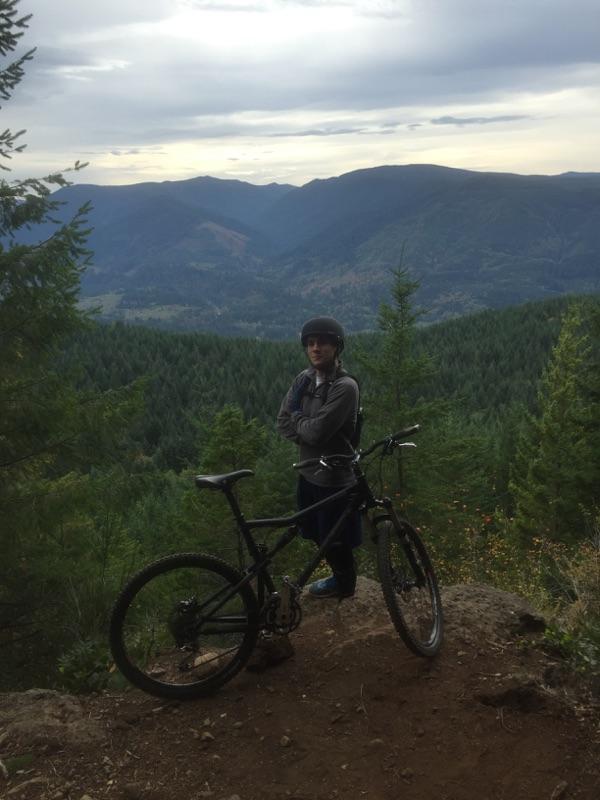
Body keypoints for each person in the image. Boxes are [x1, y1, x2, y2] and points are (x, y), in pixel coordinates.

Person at [277, 316, 361, 598]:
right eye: (311, 343)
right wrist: (307, 428)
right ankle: (338, 577)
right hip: (308, 471)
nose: (316, 348)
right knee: (317, 533)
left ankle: (345, 585)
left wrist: (300, 419)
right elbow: (282, 422)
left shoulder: (345, 387)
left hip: (334, 478)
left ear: (336, 348)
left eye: (323, 343)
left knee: (336, 539)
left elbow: (314, 432)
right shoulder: (303, 380)